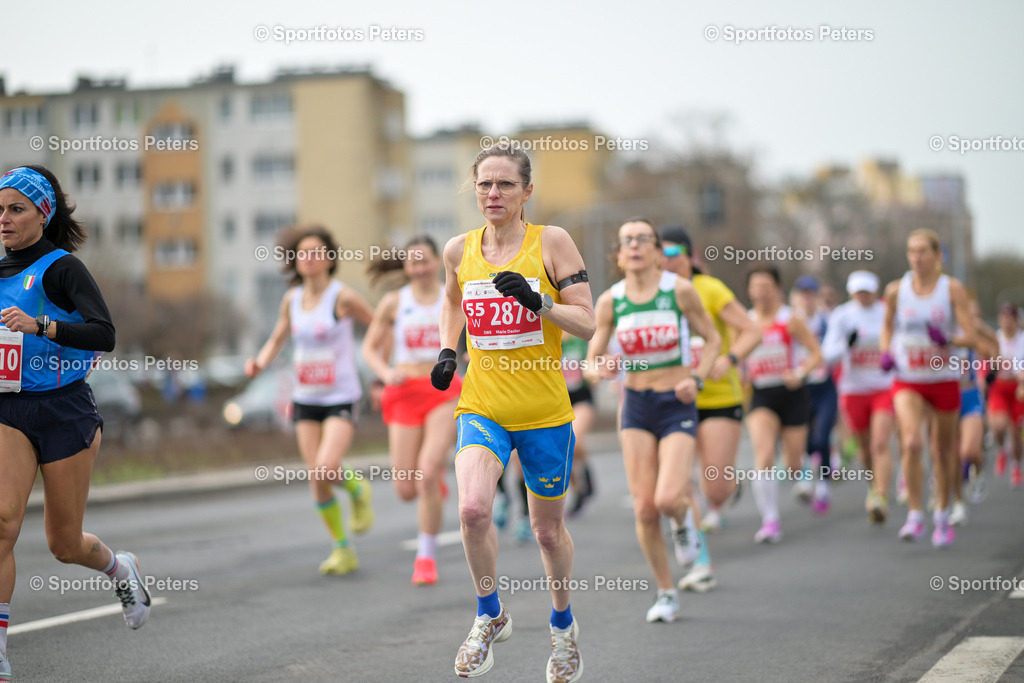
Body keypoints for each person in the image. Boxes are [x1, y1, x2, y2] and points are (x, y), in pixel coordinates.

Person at [434, 144, 594, 682]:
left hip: (545, 411)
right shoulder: (459, 249)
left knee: (547, 532)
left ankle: (563, 628)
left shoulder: (551, 242)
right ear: (473, 190)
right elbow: (452, 301)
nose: (493, 194)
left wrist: (539, 302)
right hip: (482, 406)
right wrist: (447, 351)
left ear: (527, 191)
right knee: (473, 511)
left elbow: (589, 323)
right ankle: (489, 615)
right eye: (484, 185)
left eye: (505, 185)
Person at [0, 166, 150, 680]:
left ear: (43, 214)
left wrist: (41, 324)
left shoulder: (62, 269)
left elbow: (103, 334)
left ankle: (119, 567)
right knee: (1, 523)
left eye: (16, 209)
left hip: (65, 411)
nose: (4, 219)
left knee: (64, 544)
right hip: (9, 408)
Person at [587, 219, 721, 622]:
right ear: (618, 253)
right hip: (637, 406)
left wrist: (696, 379)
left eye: (643, 239)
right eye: (627, 240)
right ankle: (666, 592)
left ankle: (682, 523)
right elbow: (591, 361)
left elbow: (712, 340)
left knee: (668, 498)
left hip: (675, 402)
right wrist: (602, 367)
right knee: (645, 508)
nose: (635, 246)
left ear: (658, 250)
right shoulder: (611, 300)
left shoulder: (678, 291)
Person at [245, 225, 375, 574]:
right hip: (305, 397)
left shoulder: (342, 297)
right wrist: (259, 362)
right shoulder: (292, 299)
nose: (309, 258)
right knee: (316, 478)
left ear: (330, 258)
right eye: (303, 253)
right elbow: (277, 338)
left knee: (326, 467)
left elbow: (378, 324)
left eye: (316, 252)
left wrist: (378, 364)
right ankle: (342, 549)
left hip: (341, 395)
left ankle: (358, 490)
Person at [659, 225, 761, 595]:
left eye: (673, 254)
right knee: (680, 484)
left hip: (717, 397)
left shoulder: (710, 289)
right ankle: (701, 560)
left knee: (714, 485)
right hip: (671, 401)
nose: (666, 262)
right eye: (661, 254)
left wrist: (730, 357)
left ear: (690, 255)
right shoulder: (650, 293)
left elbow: (751, 330)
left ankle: (728, 487)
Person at [362, 236, 460, 585]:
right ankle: (431, 487)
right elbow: (369, 348)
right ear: (405, 267)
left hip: (441, 389)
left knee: (429, 470)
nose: (420, 268)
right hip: (403, 392)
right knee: (406, 488)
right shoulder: (394, 302)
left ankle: (426, 557)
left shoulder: (454, 296)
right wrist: (386, 373)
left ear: (439, 262)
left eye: (426, 261)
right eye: (413, 262)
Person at [879, 229, 976, 547]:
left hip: (943, 378)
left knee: (942, 451)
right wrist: (886, 352)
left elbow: (970, 335)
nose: (917, 257)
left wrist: (947, 339)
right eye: (912, 251)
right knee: (911, 443)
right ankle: (916, 515)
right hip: (908, 378)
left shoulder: (952, 289)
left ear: (938, 255)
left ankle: (943, 515)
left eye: (923, 251)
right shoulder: (897, 289)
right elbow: (887, 324)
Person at [743, 264, 822, 543]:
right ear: (750, 291)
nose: (761, 293)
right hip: (762, 394)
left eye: (766, 287)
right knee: (763, 455)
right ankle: (770, 521)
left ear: (777, 289)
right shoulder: (745, 321)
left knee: (791, 463)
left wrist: (799, 373)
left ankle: (805, 472)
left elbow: (816, 354)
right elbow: (737, 357)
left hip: (791, 394)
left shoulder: (791, 319)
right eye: (756, 287)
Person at [820, 271, 894, 523]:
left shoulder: (886, 312)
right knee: (865, 448)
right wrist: (845, 346)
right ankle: (873, 486)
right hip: (854, 391)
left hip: (884, 387)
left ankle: (880, 497)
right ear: (852, 292)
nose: (863, 296)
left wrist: (891, 357)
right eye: (858, 291)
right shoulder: (842, 316)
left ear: (875, 291)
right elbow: (827, 355)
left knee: (880, 442)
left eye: (867, 291)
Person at [790, 275, 840, 514]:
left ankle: (823, 485)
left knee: (823, 437)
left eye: (811, 294)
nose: (807, 299)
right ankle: (808, 475)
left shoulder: (827, 321)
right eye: (803, 294)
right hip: (801, 388)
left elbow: (836, 348)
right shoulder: (791, 321)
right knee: (807, 440)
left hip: (824, 386)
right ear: (798, 296)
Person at [988, 303, 1024, 487]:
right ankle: (1002, 449)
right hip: (1000, 388)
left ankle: (1017, 465)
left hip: (1019, 389)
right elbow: (987, 364)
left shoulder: (1022, 340)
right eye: (1004, 318)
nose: (1007, 322)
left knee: (1016, 432)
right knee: (999, 426)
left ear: (1017, 320)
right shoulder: (996, 339)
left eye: (1010, 318)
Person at [561, 330, 596, 517]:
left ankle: (587, 475)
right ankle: (579, 488)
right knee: (566, 448)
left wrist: (594, 371)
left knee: (572, 439)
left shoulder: (580, 338)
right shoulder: (549, 337)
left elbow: (595, 359)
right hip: (559, 401)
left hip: (582, 398)